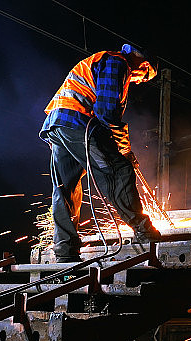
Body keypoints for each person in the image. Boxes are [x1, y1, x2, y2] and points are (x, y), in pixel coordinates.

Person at [40, 44, 161, 263]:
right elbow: (108, 114)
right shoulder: (117, 63)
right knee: (119, 171)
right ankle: (145, 232)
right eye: (144, 78)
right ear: (144, 65)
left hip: (58, 125)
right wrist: (124, 149)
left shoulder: (102, 60)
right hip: (78, 122)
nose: (139, 81)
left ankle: (65, 252)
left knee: (65, 188)